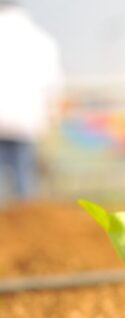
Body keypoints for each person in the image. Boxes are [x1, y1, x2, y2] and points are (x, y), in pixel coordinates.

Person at [0, 2, 60, 201]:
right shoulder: (41, 40)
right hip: (26, 120)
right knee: (23, 181)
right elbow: (53, 87)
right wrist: (50, 118)